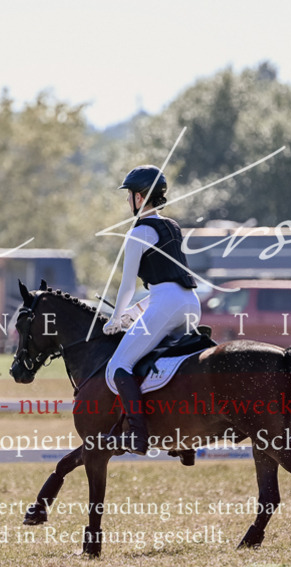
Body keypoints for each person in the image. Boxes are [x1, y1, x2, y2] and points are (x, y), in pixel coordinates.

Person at [103, 165, 201, 454]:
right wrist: (133, 313)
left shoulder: (139, 231)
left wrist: (115, 317)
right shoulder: (172, 226)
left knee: (118, 366)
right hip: (190, 305)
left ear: (141, 196)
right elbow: (165, 283)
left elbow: (128, 285)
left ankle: (137, 435)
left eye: (130, 195)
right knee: (172, 365)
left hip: (168, 304)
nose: (128, 201)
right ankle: (185, 439)